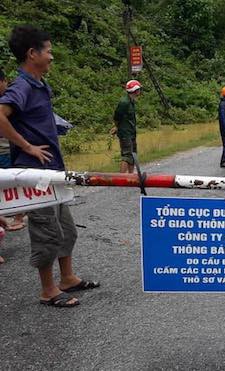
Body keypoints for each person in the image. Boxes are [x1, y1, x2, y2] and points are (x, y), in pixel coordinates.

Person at [0, 25, 99, 307]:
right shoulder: (21, 86)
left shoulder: (40, 84)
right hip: (36, 175)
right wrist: (27, 147)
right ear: (33, 54)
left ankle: (68, 278)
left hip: (54, 170)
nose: (52, 57)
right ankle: (48, 290)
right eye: (49, 51)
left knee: (67, 228)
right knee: (46, 231)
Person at [0, 69, 27, 232]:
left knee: (17, 183)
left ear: (4, 81)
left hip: (9, 150)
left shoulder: (12, 98)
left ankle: (17, 216)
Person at [112, 80, 141, 173]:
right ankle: (121, 178)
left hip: (131, 131)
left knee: (133, 154)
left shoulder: (131, 101)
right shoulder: (124, 102)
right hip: (125, 132)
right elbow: (117, 116)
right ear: (135, 90)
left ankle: (131, 176)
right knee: (126, 155)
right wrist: (116, 127)